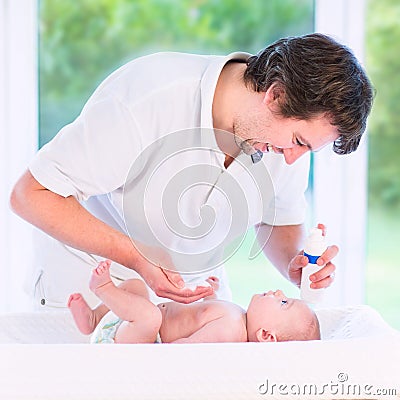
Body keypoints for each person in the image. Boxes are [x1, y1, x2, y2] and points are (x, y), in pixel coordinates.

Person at [10, 33, 373, 309]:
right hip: (94, 289)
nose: (293, 158)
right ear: (275, 95)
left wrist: (294, 262)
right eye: (297, 141)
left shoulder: (285, 140)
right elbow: (31, 194)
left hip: (198, 299)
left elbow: (279, 219)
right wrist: (136, 255)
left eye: (307, 148)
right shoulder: (149, 97)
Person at [69, 260, 320, 344]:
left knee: (150, 316)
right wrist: (212, 294)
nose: (278, 292)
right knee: (136, 286)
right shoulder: (237, 316)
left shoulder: (232, 331)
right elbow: (203, 317)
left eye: (284, 303)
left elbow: (192, 347)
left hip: (141, 339)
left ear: (266, 335)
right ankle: (94, 318)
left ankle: (102, 289)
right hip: (129, 325)